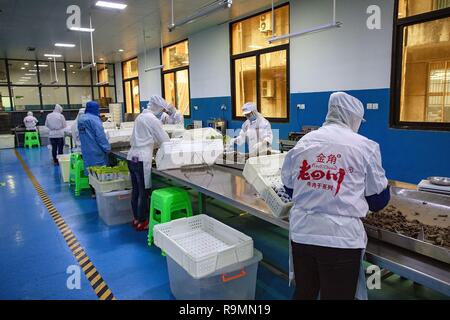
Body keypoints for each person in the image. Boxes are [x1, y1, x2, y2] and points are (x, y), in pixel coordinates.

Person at [281, 92, 390, 300]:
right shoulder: (365, 146)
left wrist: (317, 192)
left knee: (305, 292)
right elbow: (378, 201)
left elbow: (289, 188)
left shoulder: (304, 142)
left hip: (303, 233)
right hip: (341, 240)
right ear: (354, 118)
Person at [127, 95, 170, 231]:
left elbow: (145, 137)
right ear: (158, 107)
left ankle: (136, 219)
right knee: (143, 191)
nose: (162, 112)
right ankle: (143, 221)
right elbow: (164, 139)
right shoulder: (152, 119)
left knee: (135, 190)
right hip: (142, 158)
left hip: (132, 157)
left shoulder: (140, 117)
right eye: (162, 109)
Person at [78, 101, 111, 198]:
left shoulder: (81, 119)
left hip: (86, 149)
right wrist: (107, 148)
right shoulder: (94, 119)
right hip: (96, 150)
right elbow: (100, 135)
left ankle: (93, 192)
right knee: (100, 171)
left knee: (90, 171)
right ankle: (101, 192)